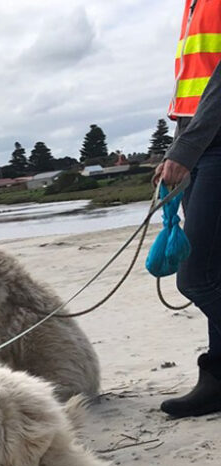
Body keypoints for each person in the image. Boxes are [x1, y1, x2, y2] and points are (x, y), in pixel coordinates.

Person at [155, 0, 221, 417]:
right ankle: (217, 380)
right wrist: (176, 149)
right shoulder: (193, 4)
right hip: (203, 146)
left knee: (196, 277)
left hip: (215, 147)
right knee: (215, 271)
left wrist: (186, 149)